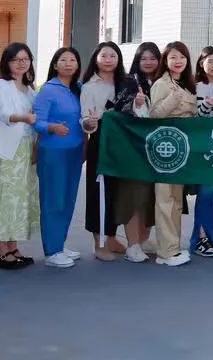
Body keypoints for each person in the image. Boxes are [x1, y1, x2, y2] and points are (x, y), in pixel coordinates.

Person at [0, 42, 39, 270]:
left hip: (27, 149)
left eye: (25, 59)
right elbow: (2, 114)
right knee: (3, 200)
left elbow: (38, 121)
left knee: (19, 201)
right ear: (7, 62)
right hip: (7, 151)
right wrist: (24, 118)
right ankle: (1, 251)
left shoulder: (31, 90)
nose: (21, 63)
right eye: (16, 59)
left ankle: (14, 248)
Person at [32, 47, 85, 269]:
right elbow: (36, 121)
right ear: (55, 65)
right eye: (63, 60)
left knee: (68, 199)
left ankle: (60, 244)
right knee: (54, 200)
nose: (68, 63)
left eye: (73, 60)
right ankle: (52, 251)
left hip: (75, 152)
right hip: (53, 152)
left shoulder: (78, 89)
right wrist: (52, 127)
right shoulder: (48, 90)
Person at [149, 41, 198, 267]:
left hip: (182, 150)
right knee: (165, 199)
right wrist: (173, 99)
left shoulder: (187, 84)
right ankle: (166, 252)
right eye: (173, 57)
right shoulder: (161, 84)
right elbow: (154, 115)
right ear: (166, 61)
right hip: (165, 149)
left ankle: (173, 247)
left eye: (182, 57)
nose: (178, 61)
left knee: (176, 200)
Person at [79, 42, 128, 261]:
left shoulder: (125, 83)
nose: (108, 60)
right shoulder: (89, 86)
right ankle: (98, 243)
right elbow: (85, 120)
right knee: (99, 191)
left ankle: (112, 237)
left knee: (117, 191)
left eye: (113, 55)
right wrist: (89, 123)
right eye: (104, 55)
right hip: (101, 141)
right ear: (96, 59)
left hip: (122, 142)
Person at [112, 41, 160, 262]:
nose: (148, 62)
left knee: (151, 198)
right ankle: (132, 244)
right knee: (133, 197)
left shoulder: (163, 82)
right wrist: (136, 104)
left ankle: (143, 239)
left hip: (156, 151)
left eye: (153, 58)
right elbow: (119, 109)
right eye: (144, 58)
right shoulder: (128, 82)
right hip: (133, 151)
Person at [191, 46, 213, 258]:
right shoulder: (196, 86)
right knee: (205, 193)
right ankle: (199, 238)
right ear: (201, 63)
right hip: (202, 147)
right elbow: (195, 118)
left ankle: (210, 233)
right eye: (210, 61)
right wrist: (205, 106)